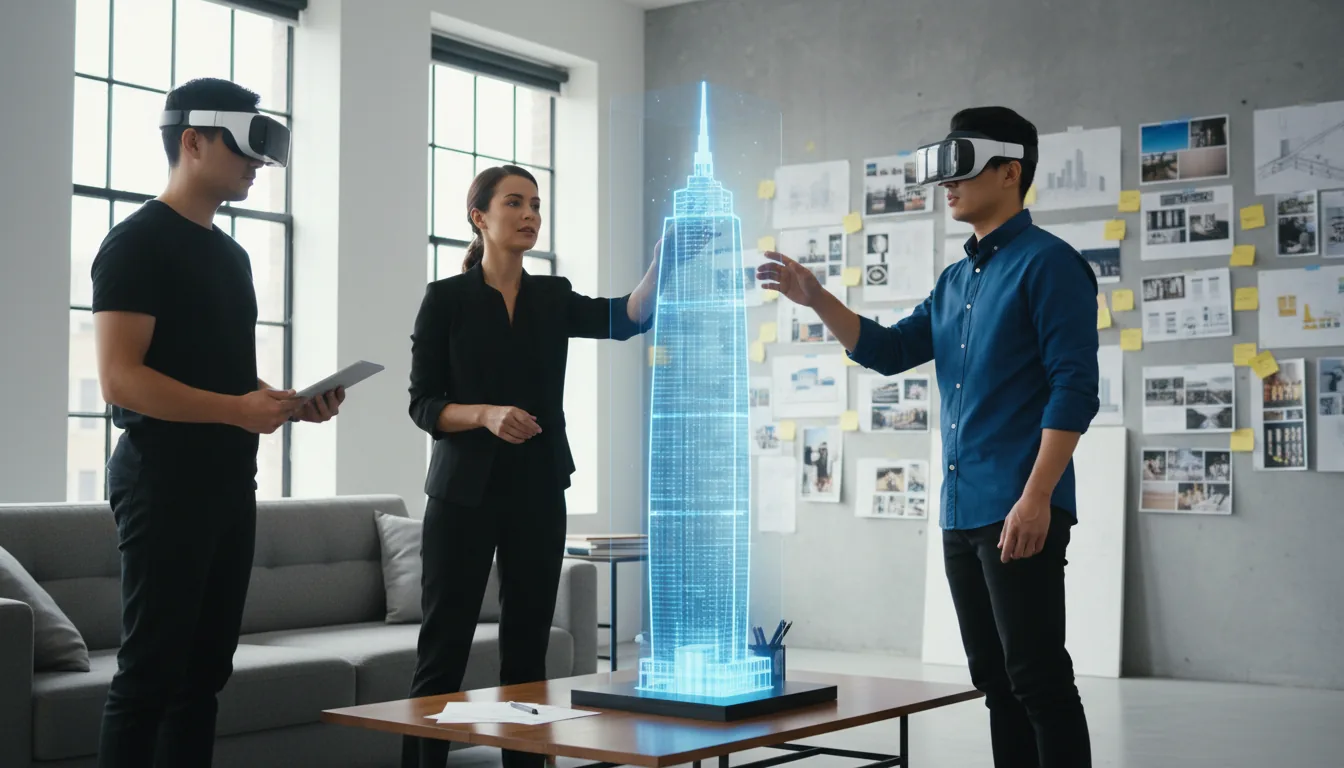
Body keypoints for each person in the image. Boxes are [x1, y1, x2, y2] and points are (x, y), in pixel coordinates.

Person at [760, 106, 1098, 768]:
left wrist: (1036, 498)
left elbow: (1074, 390)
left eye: (962, 171)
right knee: (996, 682)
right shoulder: (955, 281)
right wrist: (818, 297)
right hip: (960, 509)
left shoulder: (1050, 265)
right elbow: (887, 350)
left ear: (1010, 171)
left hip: (1019, 503)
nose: (947, 187)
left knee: (1037, 679)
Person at [91, 78, 344, 768]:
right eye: (246, 150)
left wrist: (284, 402)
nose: (258, 165)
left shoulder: (231, 258)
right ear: (192, 142)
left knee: (204, 678)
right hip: (161, 483)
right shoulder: (135, 244)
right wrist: (238, 410)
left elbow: (224, 376)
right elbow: (122, 379)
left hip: (230, 483)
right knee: (150, 675)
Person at [404, 164, 659, 768]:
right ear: (480, 217)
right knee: (443, 651)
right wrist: (486, 414)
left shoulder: (552, 295)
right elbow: (423, 404)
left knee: (527, 655)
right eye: (514, 203)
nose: (529, 215)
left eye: (536, 206)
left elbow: (625, 318)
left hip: (539, 489)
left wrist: (661, 266)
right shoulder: (446, 299)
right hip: (462, 495)